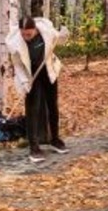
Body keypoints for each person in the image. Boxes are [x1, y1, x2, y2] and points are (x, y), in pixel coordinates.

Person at [7, 16, 70, 163]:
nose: (26, 37)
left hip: (47, 71)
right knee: (32, 109)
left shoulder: (46, 31)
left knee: (52, 106)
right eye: (23, 34)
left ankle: (55, 139)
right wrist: (24, 81)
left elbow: (59, 41)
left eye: (29, 34)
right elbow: (17, 65)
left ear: (35, 29)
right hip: (30, 75)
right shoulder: (14, 42)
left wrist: (63, 35)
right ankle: (34, 147)